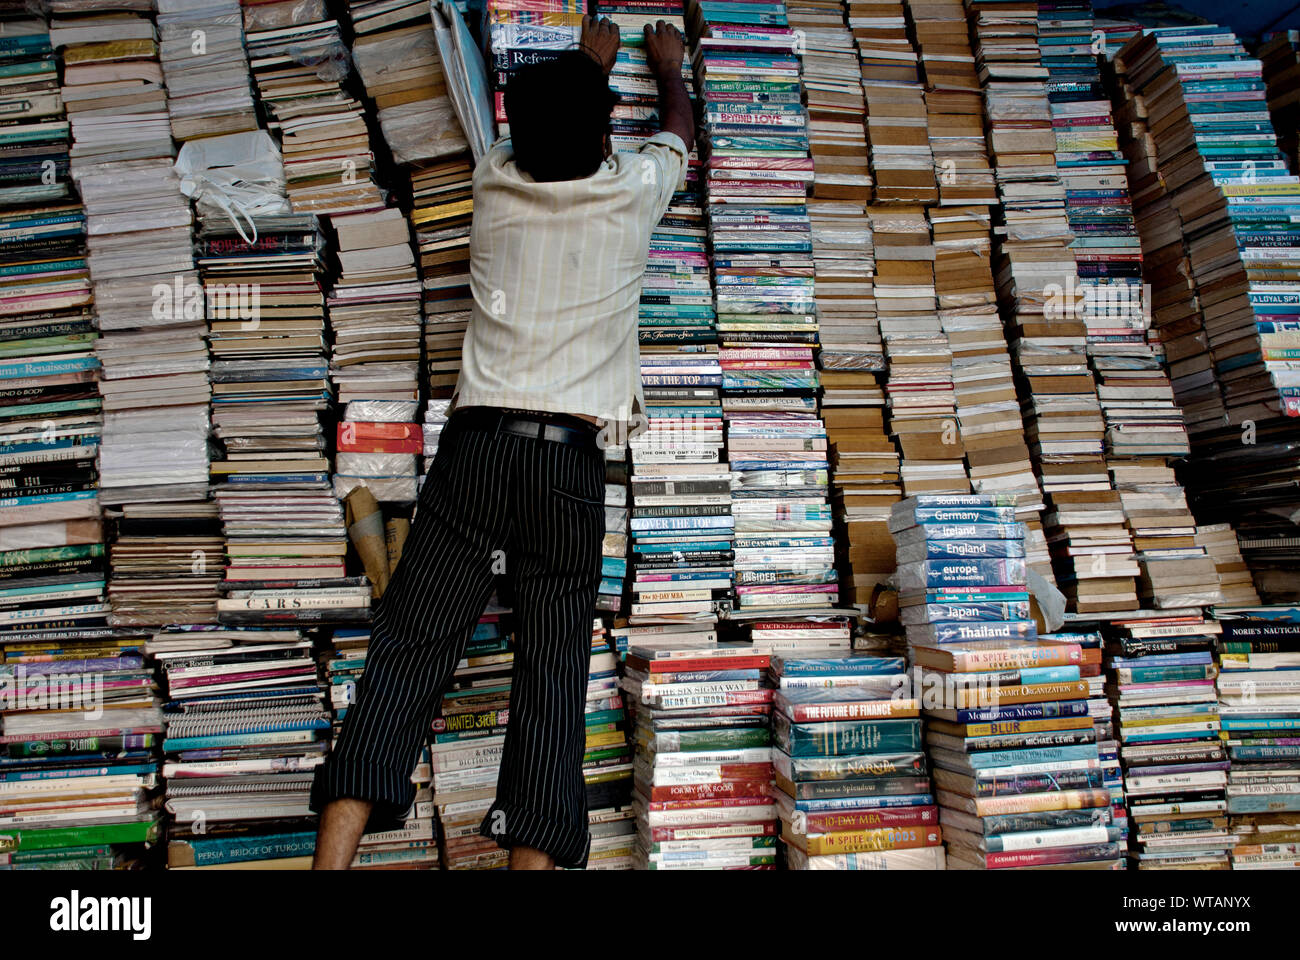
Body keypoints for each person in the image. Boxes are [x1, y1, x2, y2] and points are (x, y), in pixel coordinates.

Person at [309, 16, 696, 870]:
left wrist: (587, 61)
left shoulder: (494, 181)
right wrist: (666, 67)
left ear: (516, 136)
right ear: (603, 134)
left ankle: (329, 868)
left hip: (475, 449)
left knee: (410, 647)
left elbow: (553, 125)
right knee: (551, 673)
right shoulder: (634, 190)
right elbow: (676, 133)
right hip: (566, 462)